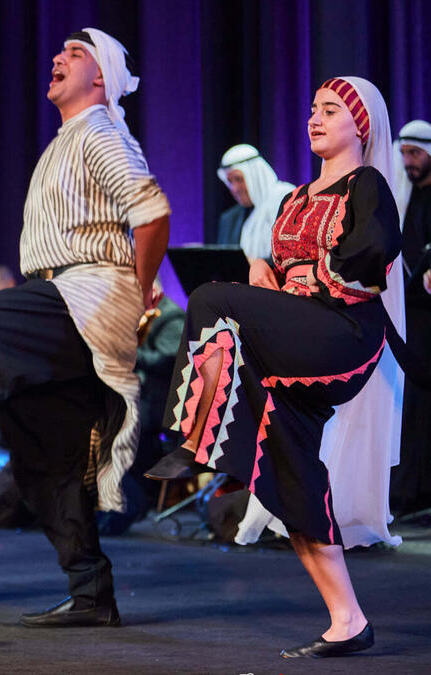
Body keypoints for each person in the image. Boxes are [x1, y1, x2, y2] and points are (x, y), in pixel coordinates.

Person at [0, 28, 171, 629]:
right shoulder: (69, 139)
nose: (58, 58)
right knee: (43, 453)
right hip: (62, 292)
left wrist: (134, 290)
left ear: (101, 77)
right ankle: (91, 593)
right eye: (59, 52)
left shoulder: (101, 131)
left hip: (86, 294)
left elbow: (152, 213)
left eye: (75, 54)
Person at [146, 77, 402, 658]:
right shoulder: (295, 198)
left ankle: (193, 433)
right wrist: (271, 278)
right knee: (291, 469)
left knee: (211, 298)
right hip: (298, 344)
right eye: (312, 108)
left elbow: (376, 249)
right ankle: (348, 620)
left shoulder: (369, 185)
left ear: (359, 125)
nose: (315, 117)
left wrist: (314, 273)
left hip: (343, 336)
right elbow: (288, 278)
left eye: (331, 109)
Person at [390, 119, 431, 517]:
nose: (408, 161)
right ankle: (411, 493)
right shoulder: (408, 196)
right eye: (404, 154)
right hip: (413, 313)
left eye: (415, 154)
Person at [214, 144, 296, 259]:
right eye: (229, 181)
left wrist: (256, 265)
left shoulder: (287, 200)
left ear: (255, 175)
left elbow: (291, 255)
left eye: (238, 179)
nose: (234, 189)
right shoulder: (230, 219)